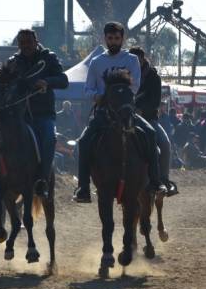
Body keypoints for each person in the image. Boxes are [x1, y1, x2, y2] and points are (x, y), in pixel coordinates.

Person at [73, 22, 166, 203]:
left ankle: (155, 181)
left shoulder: (131, 60)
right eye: (110, 38)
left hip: (126, 111)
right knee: (83, 141)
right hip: (102, 113)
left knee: (150, 133)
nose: (113, 41)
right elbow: (88, 89)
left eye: (117, 38)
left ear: (122, 39)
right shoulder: (96, 62)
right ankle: (83, 187)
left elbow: (135, 85)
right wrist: (98, 97)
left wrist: (119, 98)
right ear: (104, 39)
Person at [0, 28, 69, 197]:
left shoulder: (49, 58)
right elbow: (1, 83)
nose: (25, 46)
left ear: (36, 41)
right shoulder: (13, 62)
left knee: (50, 138)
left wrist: (47, 82)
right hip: (18, 116)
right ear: (18, 44)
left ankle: (42, 180)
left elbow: (63, 80)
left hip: (43, 114)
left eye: (29, 42)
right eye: (22, 43)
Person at [130, 46, 177, 196]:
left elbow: (155, 101)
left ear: (143, 59)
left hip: (148, 118)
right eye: (133, 59)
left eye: (138, 59)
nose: (135, 62)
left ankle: (163, 179)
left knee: (165, 144)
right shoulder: (124, 73)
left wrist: (141, 110)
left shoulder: (153, 77)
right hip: (125, 117)